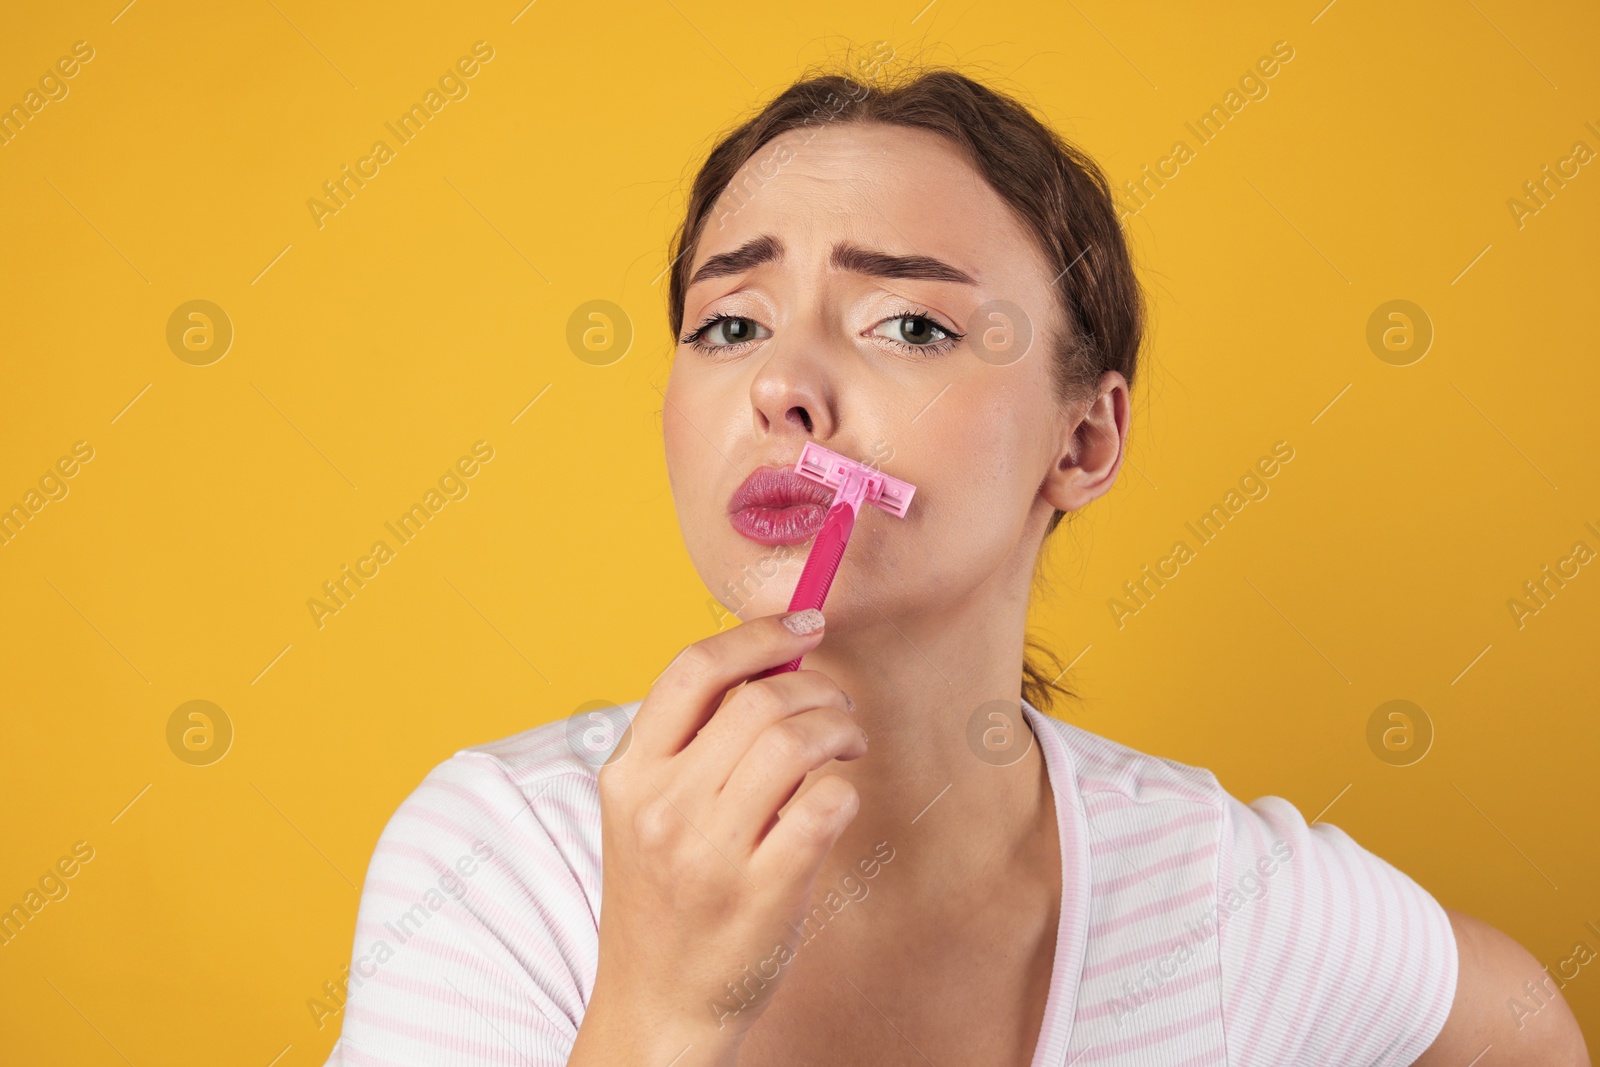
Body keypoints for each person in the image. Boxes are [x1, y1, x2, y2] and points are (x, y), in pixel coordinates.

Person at [320, 63, 1589, 1066]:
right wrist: (661, 1007)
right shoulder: (499, 862)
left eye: (912, 323)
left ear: (1082, 438)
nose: (780, 383)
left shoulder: (1214, 893)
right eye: (730, 322)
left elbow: (1517, 1027)